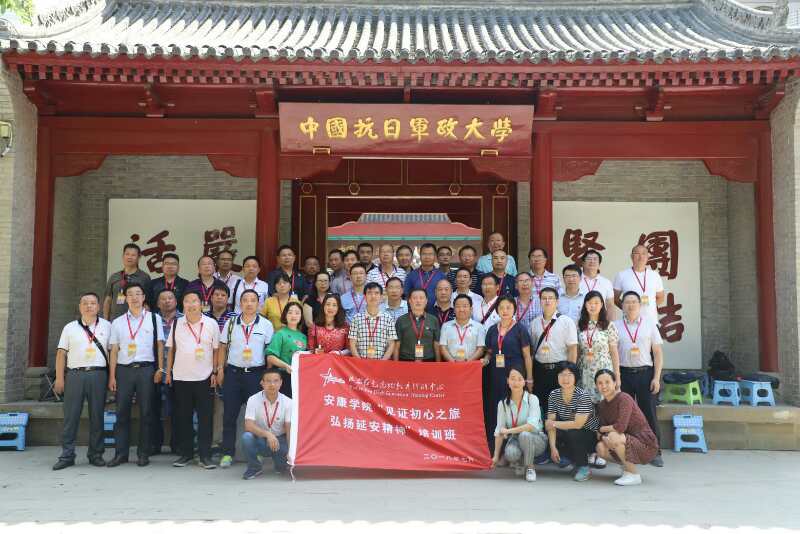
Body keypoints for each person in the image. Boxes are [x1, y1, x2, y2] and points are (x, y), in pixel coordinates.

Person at [52, 293, 112, 470]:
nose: (89, 306)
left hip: (99, 375)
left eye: (92, 303)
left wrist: (112, 377)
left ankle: (96, 454)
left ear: (98, 307)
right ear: (79, 307)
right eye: (85, 303)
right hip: (75, 375)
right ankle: (67, 455)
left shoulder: (107, 326)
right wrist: (60, 378)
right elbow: (61, 354)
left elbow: (113, 353)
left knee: (97, 416)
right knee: (71, 417)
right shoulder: (70, 327)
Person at [216, 289, 274, 469]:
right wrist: (220, 369)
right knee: (229, 415)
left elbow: (269, 353)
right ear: (240, 303)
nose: (249, 303)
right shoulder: (231, 323)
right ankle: (227, 453)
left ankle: (256, 452)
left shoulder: (266, 325)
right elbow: (222, 347)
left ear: (258, 304)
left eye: (253, 300)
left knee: (257, 417)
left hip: (256, 376)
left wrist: (267, 378)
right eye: (245, 300)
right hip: (233, 374)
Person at [107, 283, 164, 467]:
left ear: (144, 297)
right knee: (122, 412)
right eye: (130, 294)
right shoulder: (118, 322)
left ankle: (143, 453)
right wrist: (112, 376)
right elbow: (114, 351)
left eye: (138, 293)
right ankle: (121, 454)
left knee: (146, 412)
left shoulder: (154, 318)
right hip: (124, 370)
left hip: (146, 370)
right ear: (125, 298)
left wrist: (160, 369)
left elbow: (160, 345)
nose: (134, 297)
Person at [165, 291, 220, 469]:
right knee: (183, 418)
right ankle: (186, 454)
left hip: (204, 377)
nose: (191, 304)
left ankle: (205, 456)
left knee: (205, 418)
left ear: (201, 304)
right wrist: (168, 373)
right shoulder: (177, 323)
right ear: (183, 305)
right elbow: (171, 350)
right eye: (187, 301)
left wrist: (215, 372)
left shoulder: (211, 323)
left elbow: (216, 350)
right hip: (181, 377)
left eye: (194, 301)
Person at [614, 291, 665, 468]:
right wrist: (616, 378)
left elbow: (657, 353)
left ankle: (655, 452)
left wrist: (656, 378)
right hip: (623, 374)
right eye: (627, 302)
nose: (630, 305)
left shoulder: (650, 324)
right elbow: (612, 353)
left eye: (634, 302)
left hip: (646, 374)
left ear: (640, 304)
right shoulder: (615, 326)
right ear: (622, 305)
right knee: (625, 414)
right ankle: (628, 451)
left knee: (649, 413)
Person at [483, 296, 533, 452]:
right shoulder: (492, 329)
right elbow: (489, 352)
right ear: (497, 310)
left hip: (515, 377)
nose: (505, 311)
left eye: (508, 307)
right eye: (501, 307)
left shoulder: (520, 329)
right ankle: (495, 448)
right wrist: (485, 359)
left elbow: (527, 356)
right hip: (496, 375)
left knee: (512, 410)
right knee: (496, 409)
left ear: (514, 310)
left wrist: (529, 378)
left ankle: (512, 449)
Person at [595, 369, 659, 486]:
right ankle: (626, 467)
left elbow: (620, 427)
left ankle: (633, 475)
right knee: (600, 448)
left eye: (607, 382)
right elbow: (600, 431)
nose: (603, 386)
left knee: (614, 436)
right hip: (625, 440)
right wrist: (603, 436)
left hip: (644, 443)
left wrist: (602, 430)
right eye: (600, 383)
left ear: (615, 383)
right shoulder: (602, 405)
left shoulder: (624, 398)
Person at [545, 361, 600, 482]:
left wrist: (553, 423)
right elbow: (550, 424)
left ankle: (584, 467)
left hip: (590, 435)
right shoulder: (554, 395)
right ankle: (574, 461)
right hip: (570, 431)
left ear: (575, 377)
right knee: (551, 433)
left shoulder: (582, 395)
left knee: (573, 431)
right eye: (562, 375)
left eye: (569, 375)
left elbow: (578, 424)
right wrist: (553, 448)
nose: (565, 379)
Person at [491, 366, 547, 482]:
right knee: (510, 453)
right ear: (507, 381)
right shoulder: (503, 404)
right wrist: (495, 456)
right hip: (516, 439)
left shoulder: (532, 399)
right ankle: (521, 462)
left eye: (519, 379)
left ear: (524, 381)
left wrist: (508, 431)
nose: (516, 382)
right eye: (512, 378)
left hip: (536, 439)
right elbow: (499, 431)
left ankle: (530, 467)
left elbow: (531, 426)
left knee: (525, 434)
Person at [241, 368, 292, 480]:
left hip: (280, 440)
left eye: (275, 381)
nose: (272, 384)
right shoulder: (253, 399)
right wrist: (268, 435)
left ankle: (280, 464)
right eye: (268, 381)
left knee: (282, 469)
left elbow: (289, 429)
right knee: (247, 437)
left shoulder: (288, 402)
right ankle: (254, 467)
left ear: (281, 383)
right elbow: (248, 425)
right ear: (262, 383)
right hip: (261, 439)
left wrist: (290, 452)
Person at [530, 287, 578, 406]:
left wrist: (570, 374)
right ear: (540, 301)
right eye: (544, 298)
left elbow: (572, 349)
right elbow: (532, 351)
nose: (547, 301)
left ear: (557, 301)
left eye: (551, 298)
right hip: (540, 371)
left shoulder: (566, 321)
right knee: (541, 405)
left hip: (560, 370)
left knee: (560, 406)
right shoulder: (534, 323)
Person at [151, 288, 182, 456]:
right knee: (153, 408)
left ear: (176, 302)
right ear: (157, 303)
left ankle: (177, 444)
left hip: (178, 371)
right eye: (163, 299)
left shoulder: (184, 319)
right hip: (155, 370)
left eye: (170, 298)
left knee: (178, 409)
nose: (167, 301)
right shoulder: (151, 320)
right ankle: (155, 443)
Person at [577, 290, 621, 402]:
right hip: (585, 370)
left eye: (596, 303)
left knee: (605, 402)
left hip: (604, 369)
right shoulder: (579, 325)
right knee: (586, 404)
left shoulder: (609, 325)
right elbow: (577, 351)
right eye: (590, 303)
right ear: (585, 305)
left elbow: (614, 352)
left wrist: (617, 376)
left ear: (601, 305)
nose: (593, 306)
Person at [613, 244, 665, 326]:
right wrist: (627, 308)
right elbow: (615, 298)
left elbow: (661, 297)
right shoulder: (622, 275)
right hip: (630, 322)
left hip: (651, 322)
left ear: (647, 257)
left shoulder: (655, 275)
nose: (641, 257)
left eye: (644, 254)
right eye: (637, 253)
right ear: (631, 256)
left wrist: (649, 306)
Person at [266, 301, 307, 397]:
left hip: (298, 378)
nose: (293, 315)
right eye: (290, 312)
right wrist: (286, 366)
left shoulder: (304, 337)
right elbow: (270, 357)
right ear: (285, 315)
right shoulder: (280, 334)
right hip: (282, 376)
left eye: (297, 313)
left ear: (301, 316)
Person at [103, 243, 152, 321]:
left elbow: (147, 303)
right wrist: (106, 321)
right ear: (123, 256)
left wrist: (144, 321)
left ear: (139, 257)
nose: (129, 257)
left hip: (136, 321)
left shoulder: (144, 277)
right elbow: (108, 300)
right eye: (127, 254)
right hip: (115, 320)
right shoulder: (114, 277)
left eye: (133, 255)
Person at [349, 282, 397, 359]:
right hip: (360, 363)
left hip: (381, 363)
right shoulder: (356, 318)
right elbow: (352, 343)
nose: (373, 296)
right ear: (365, 297)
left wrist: (382, 362)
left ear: (381, 297)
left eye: (376, 293)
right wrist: (360, 362)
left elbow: (391, 344)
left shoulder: (388, 319)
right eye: (369, 293)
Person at [394, 288, 441, 362]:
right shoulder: (401, 320)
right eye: (415, 298)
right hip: (406, 361)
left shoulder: (433, 320)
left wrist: (438, 364)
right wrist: (395, 365)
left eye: (421, 298)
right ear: (409, 301)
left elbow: (436, 344)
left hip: (428, 361)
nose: (418, 301)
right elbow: (396, 346)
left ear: (426, 301)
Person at [439, 294, 486, 362]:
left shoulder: (479, 327)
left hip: (471, 365)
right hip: (451, 365)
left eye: (465, 306)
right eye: (458, 306)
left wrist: (467, 362)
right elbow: (443, 347)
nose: (461, 309)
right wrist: (453, 362)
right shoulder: (446, 326)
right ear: (454, 309)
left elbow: (480, 349)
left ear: (471, 309)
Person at [580, 249, 615, 319]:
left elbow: (610, 306)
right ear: (583, 263)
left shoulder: (606, 282)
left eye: (595, 259)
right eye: (589, 259)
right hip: (578, 321)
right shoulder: (576, 281)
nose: (592, 261)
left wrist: (611, 323)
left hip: (600, 322)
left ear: (599, 264)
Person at [528, 247, 561, 318]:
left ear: (545, 260)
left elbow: (559, 298)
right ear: (529, 260)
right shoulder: (524, 279)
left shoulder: (554, 278)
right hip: (529, 318)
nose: (536, 259)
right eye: (533, 256)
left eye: (539, 256)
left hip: (549, 319)